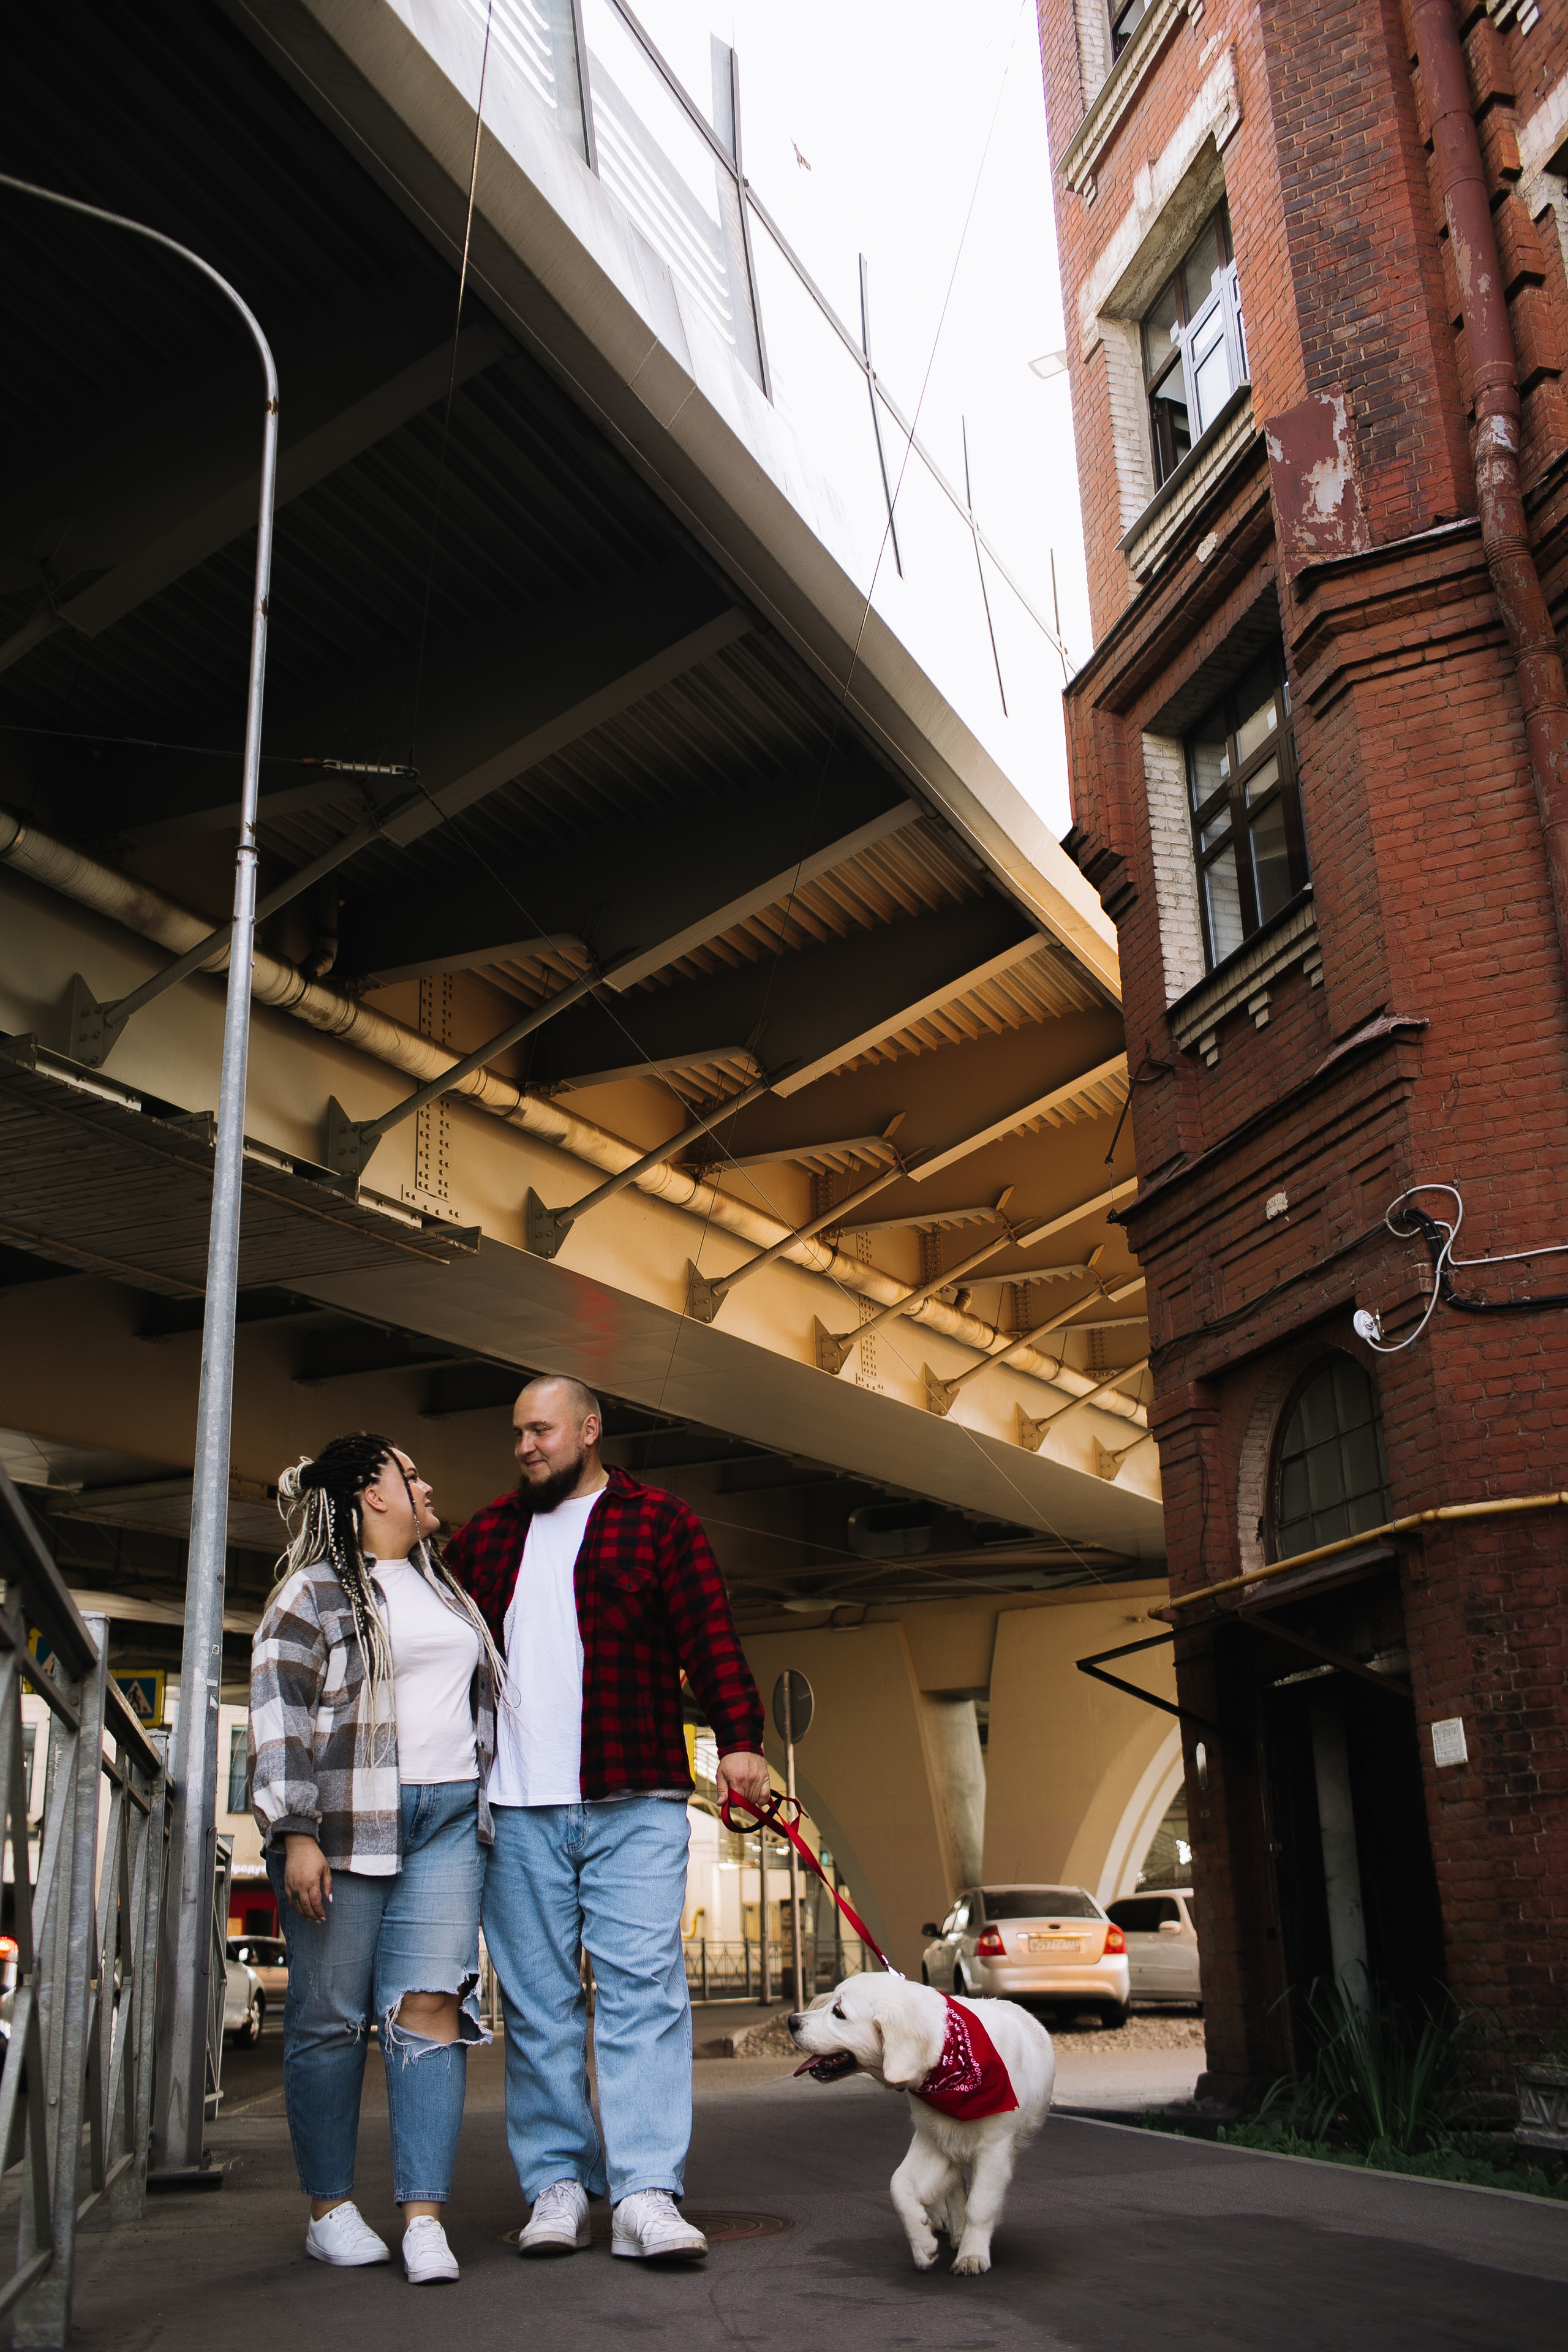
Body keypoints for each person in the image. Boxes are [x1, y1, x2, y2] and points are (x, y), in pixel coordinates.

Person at [445, 1374, 769, 2264]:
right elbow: (431, 1633)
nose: (525, 1447)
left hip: (636, 1797)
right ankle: (556, 2184)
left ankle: (645, 2194)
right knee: (542, 2008)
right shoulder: (486, 1536)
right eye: (517, 1433)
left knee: (642, 1998)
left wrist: (740, 1741)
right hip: (516, 1809)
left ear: (588, 1430)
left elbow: (711, 1636)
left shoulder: (659, 1523)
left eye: (541, 1430)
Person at [249, 1431, 505, 2284]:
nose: (428, 1484)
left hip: (446, 1821)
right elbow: (279, 1718)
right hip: (347, 1822)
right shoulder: (310, 1596)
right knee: (327, 2022)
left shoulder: (444, 1588)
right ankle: (329, 2209)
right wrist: (294, 1835)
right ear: (373, 1495)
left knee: (429, 2009)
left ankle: (424, 2217)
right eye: (411, 1473)